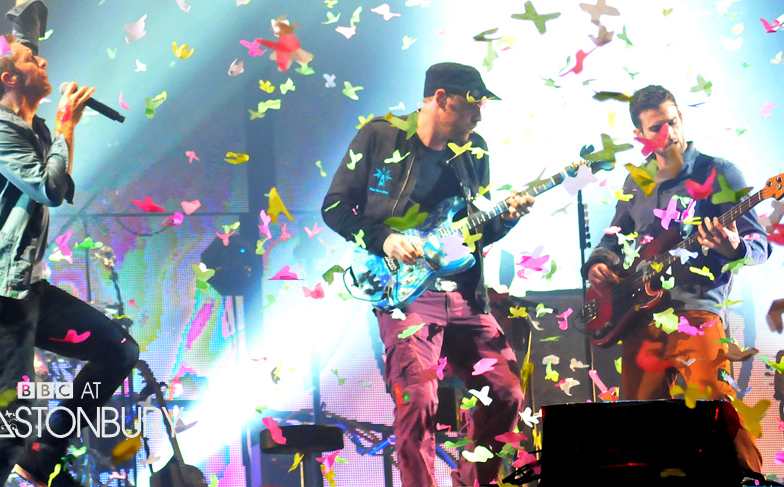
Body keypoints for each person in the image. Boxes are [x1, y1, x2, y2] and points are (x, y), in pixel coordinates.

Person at [322, 62, 534, 487]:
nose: (479, 116)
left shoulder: (474, 151)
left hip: (464, 293)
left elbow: (474, 233)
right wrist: (384, 239)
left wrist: (507, 217)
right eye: (472, 105)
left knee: (507, 392)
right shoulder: (380, 136)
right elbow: (334, 208)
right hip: (403, 294)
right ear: (441, 99)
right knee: (417, 398)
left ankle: (474, 484)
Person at [0, 1, 139, 486]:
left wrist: (27, 25)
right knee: (15, 419)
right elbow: (50, 188)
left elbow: (20, 55)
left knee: (119, 351)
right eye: (32, 61)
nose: (43, 62)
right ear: (11, 80)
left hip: (28, 289)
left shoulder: (27, 122)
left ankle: (43, 455)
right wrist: (66, 126)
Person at [581, 84, 772, 475]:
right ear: (640, 134)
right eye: (657, 127)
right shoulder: (636, 181)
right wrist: (598, 263)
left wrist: (734, 246)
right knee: (638, 427)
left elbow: (760, 245)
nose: (669, 132)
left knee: (716, 410)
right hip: (639, 317)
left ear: (681, 117)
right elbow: (613, 237)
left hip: (696, 313)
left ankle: (752, 480)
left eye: (672, 121)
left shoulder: (720, 172)